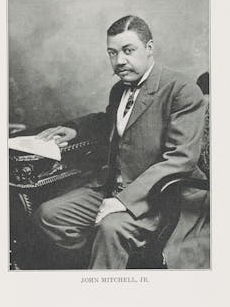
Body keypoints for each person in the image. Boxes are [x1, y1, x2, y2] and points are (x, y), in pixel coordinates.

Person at [34, 15, 209, 269]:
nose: (119, 61)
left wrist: (122, 202)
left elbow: (180, 159)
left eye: (128, 50)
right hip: (110, 187)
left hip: (162, 198)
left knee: (110, 228)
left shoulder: (181, 89)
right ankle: (97, 270)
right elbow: (111, 121)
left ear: (149, 49)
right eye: (112, 53)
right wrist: (74, 129)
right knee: (49, 216)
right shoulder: (119, 89)